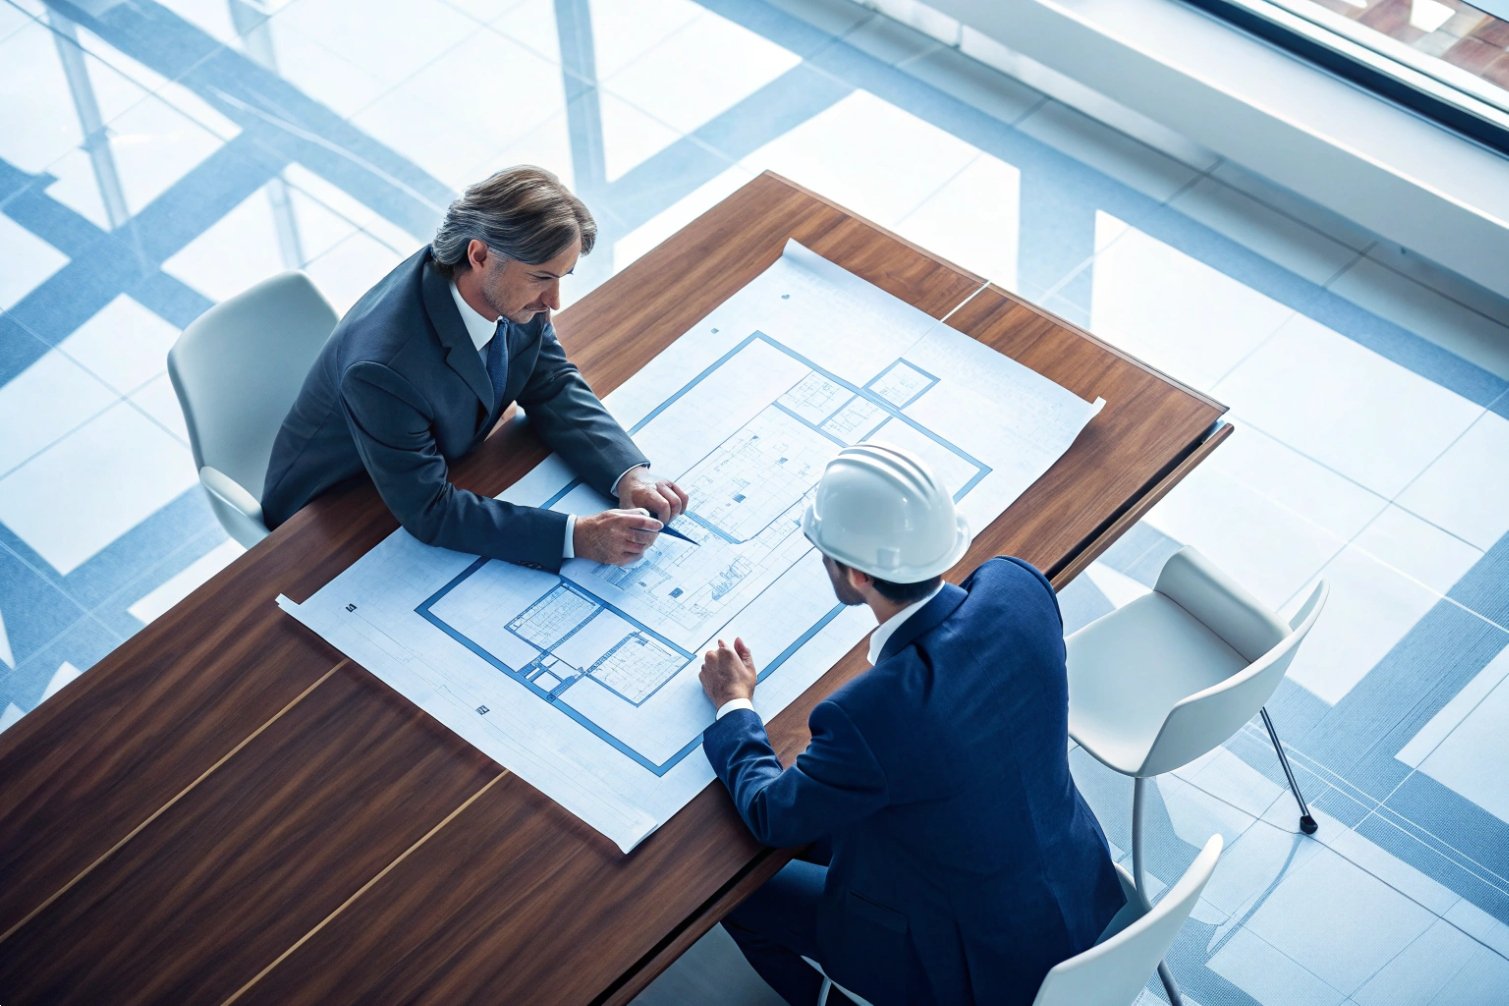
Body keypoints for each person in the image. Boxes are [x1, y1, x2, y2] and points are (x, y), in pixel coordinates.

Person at [698, 443, 1124, 1006]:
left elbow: (772, 815)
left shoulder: (869, 715)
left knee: (735, 899)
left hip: (964, 963)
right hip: (1074, 883)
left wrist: (734, 704)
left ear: (854, 574)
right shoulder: (1017, 586)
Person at [262, 166, 686, 570]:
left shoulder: (503, 285)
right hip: (338, 512)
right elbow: (431, 511)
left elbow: (551, 382)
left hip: (433, 463)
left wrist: (627, 475)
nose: (553, 301)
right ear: (479, 254)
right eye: (542, 278)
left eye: (563, 276)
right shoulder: (383, 370)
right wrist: (577, 537)